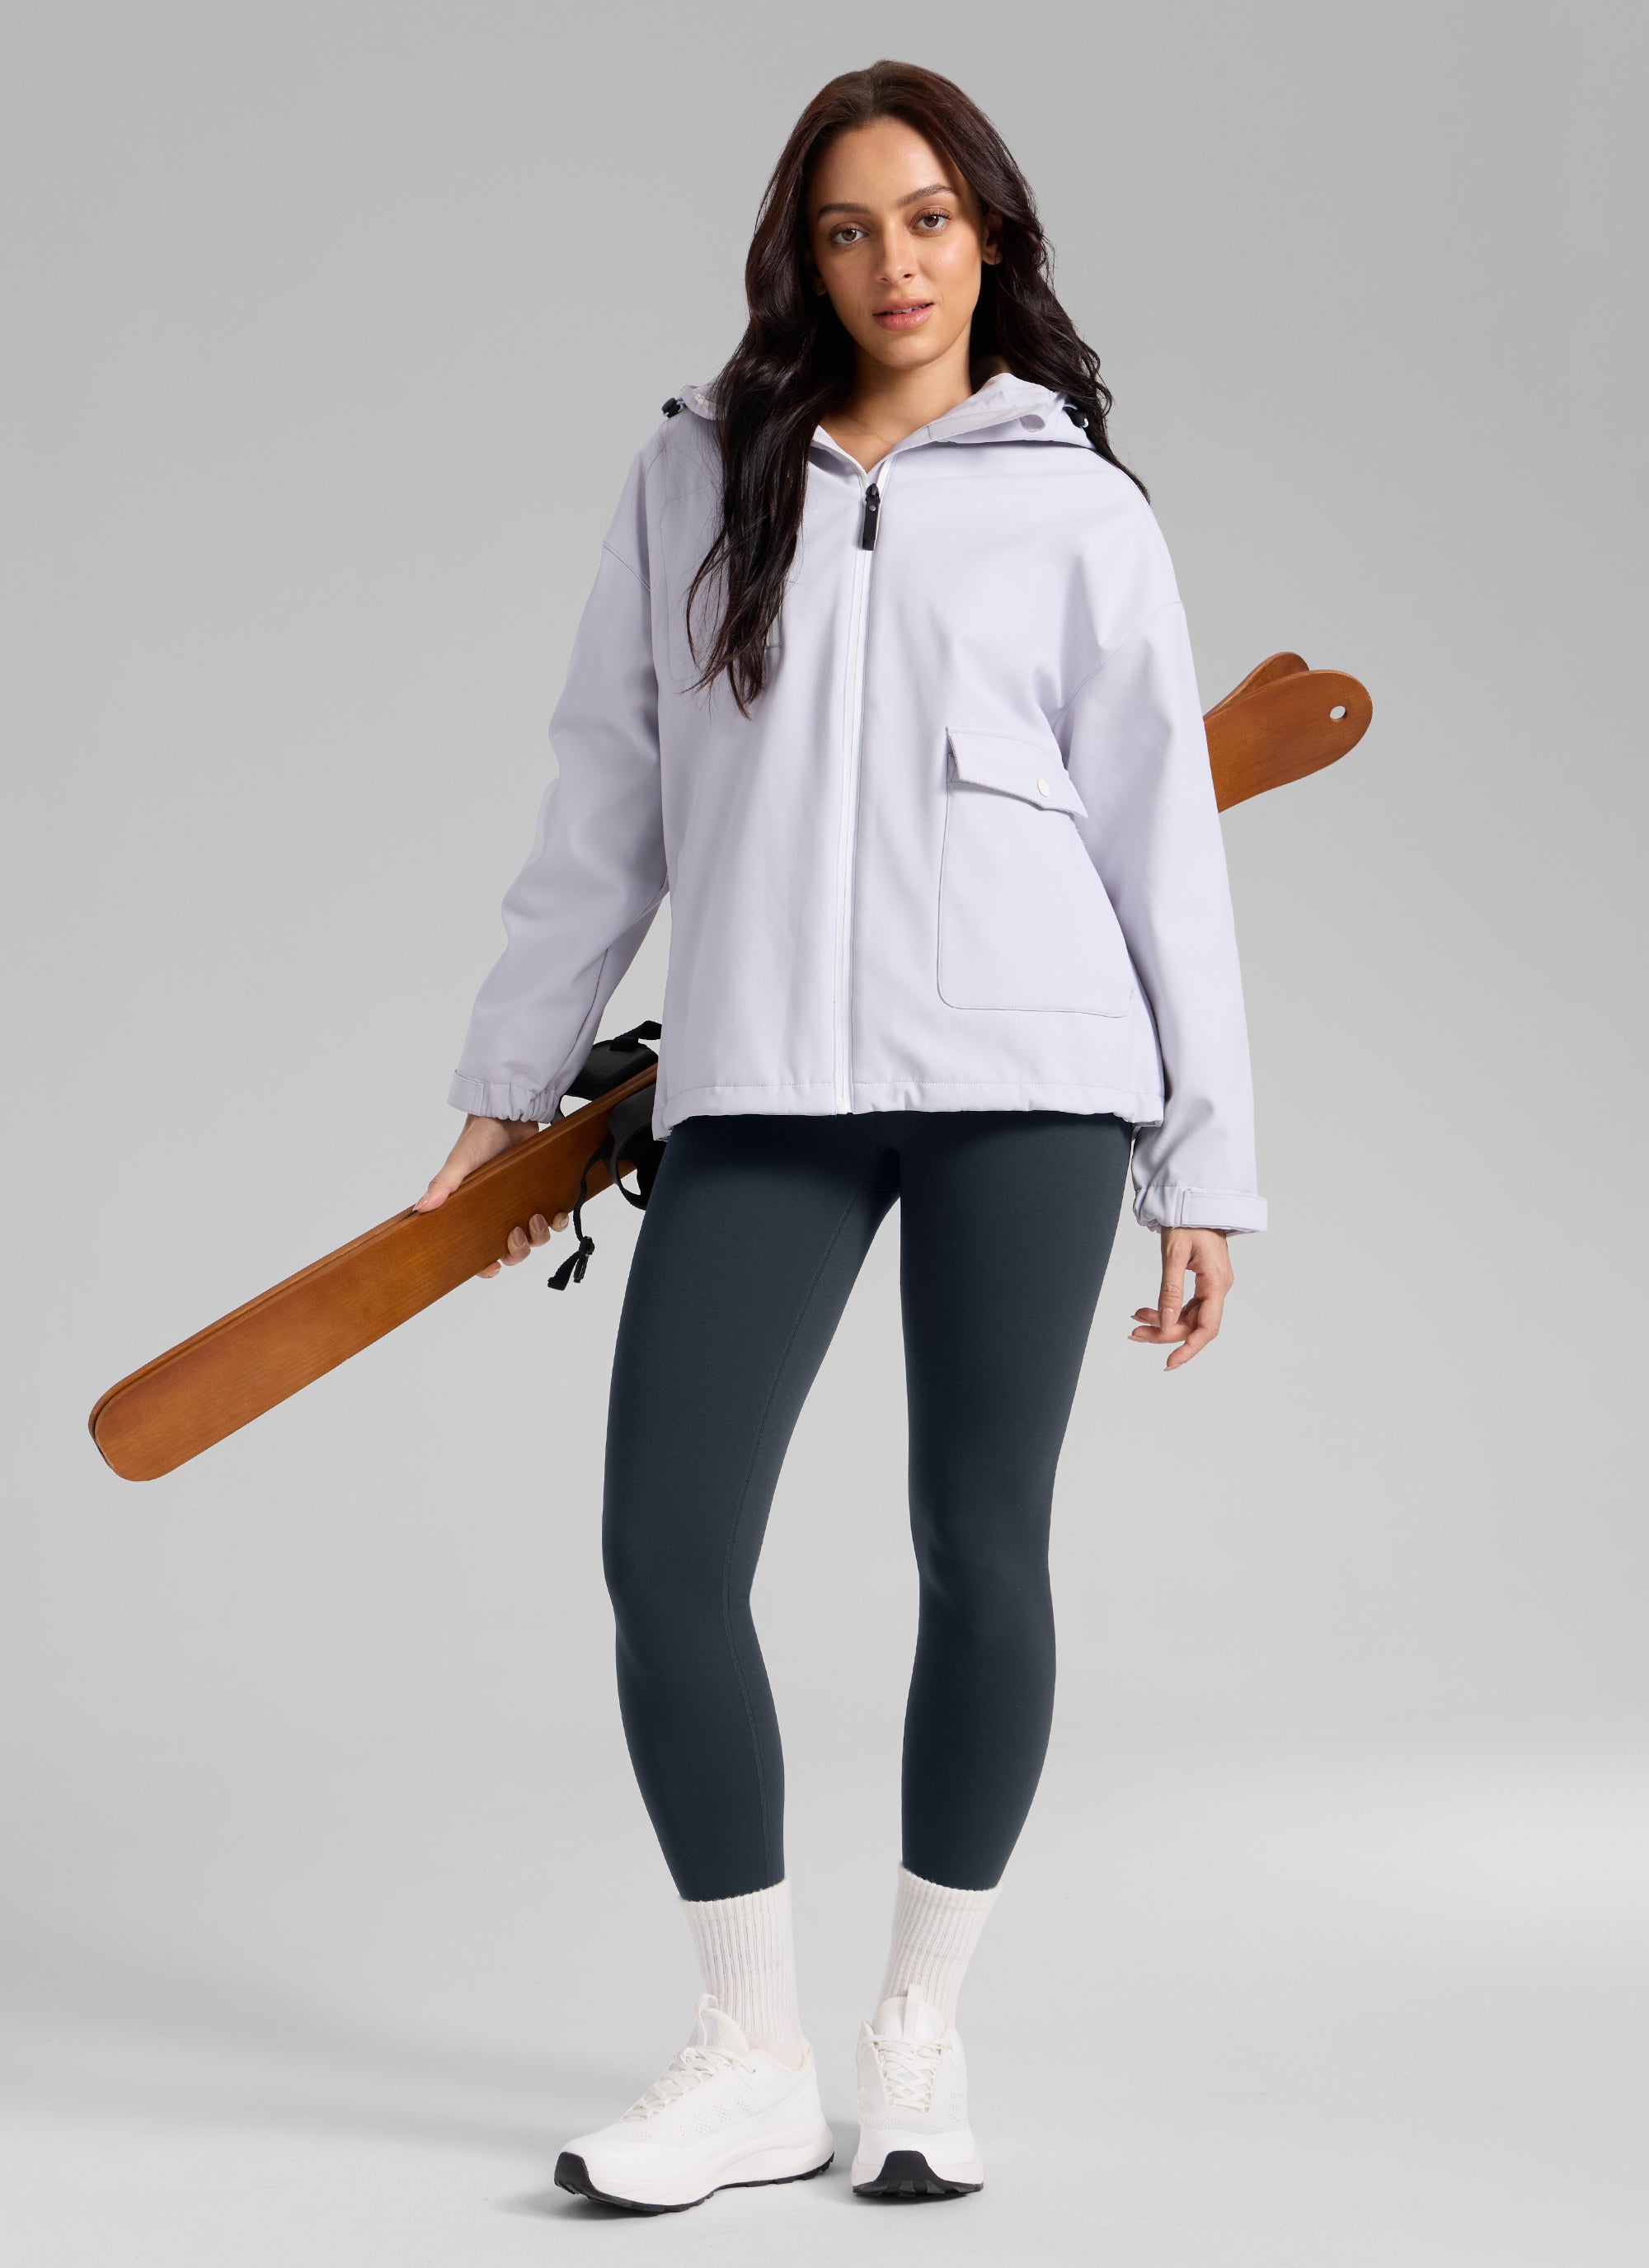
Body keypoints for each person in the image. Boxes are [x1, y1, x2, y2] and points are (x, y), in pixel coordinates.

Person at [414, 59, 1265, 2214]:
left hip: (1032, 1082)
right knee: (666, 1552)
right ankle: (752, 2056)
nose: (895, 263)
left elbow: (1165, 848)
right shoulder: (694, 476)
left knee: (982, 1544)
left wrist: (1207, 1165)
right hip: (766, 1072)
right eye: (849, 227)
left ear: (993, 236)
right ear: (801, 257)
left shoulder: (1080, 508)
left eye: (930, 220)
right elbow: (604, 799)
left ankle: (917, 2040)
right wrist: (508, 1086)